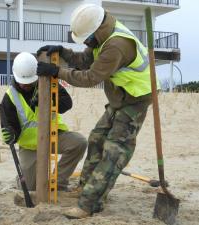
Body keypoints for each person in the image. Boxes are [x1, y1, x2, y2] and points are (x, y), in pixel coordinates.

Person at [36, 3, 159, 218]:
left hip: (136, 98)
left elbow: (90, 77)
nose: (85, 43)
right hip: (120, 95)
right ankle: (86, 187)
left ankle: (89, 204)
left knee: (114, 150)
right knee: (96, 138)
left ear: (96, 30)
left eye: (86, 39)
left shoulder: (116, 45)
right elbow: (85, 60)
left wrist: (58, 72)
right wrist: (63, 52)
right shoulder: (102, 34)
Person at [0, 52, 87, 191]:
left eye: (30, 83)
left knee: (79, 143)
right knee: (30, 187)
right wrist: (10, 134)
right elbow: (11, 127)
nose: (26, 86)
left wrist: (47, 98)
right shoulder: (9, 97)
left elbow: (66, 104)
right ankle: (26, 177)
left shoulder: (48, 82)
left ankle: (58, 182)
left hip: (53, 136)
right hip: (30, 146)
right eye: (23, 83)